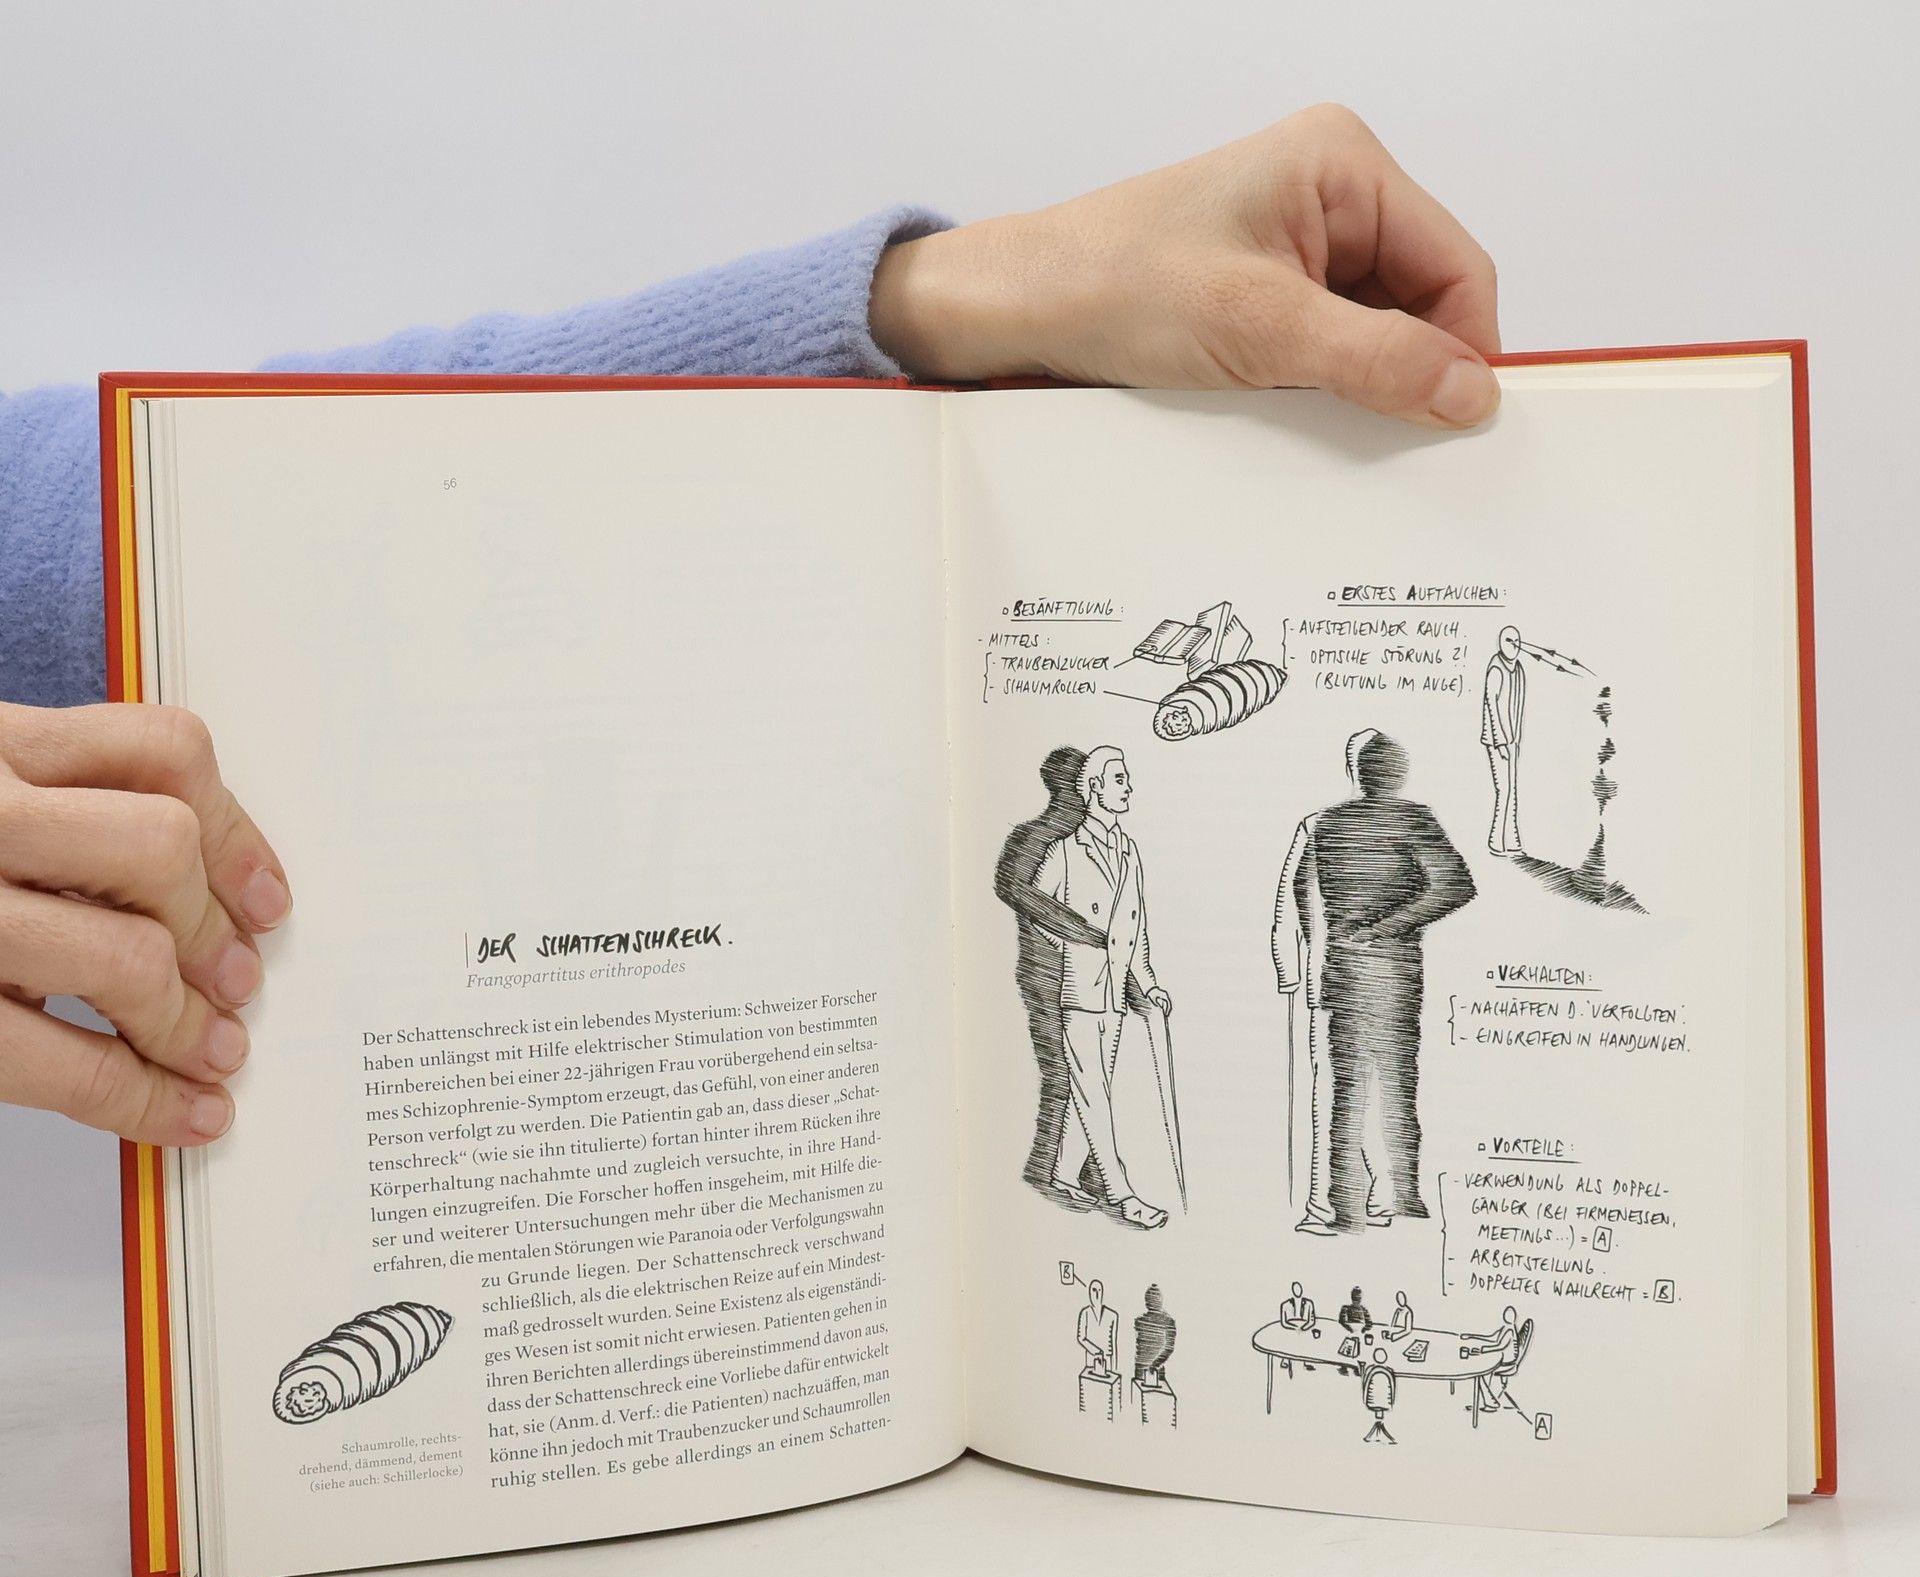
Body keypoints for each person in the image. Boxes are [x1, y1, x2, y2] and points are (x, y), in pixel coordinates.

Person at [1, 107, 1500, 1147]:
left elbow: (117, 508)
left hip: (1263, 980)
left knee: (1360, 1099)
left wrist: (930, 301)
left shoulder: (1294, 830)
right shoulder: (1165, 836)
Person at [1273, 730, 1477, 1235]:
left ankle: (1351, 1203)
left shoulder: (1327, 821)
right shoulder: (1411, 818)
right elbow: (1455, 886)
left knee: (1351, 1086)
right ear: (1399, 774)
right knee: (1392, 1080)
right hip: (1390, 971)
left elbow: (1296, 897)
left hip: (1343, 970)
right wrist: (1388, 927)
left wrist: (1309, 964)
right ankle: (1392, 1196)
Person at [1033, 748, 1171, 1228]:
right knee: (1095, 1092)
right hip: (1081, 991)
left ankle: (1063, 1171)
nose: (1128, 787)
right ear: (1094, 788)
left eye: (1127, 778)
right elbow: (1040, 910)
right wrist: (1078, 949)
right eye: (1119, 779)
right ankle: (1122, 1194)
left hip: (1113, 994)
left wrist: (1147, 983)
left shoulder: (1129, 849)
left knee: (1093, 1087)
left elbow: (1138, 926)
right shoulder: (1065, 850)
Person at [995, 749, 1106, 1203]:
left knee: (1098, 1075)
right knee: (1062, 1071)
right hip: (1048, 972)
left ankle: (1095, 1172)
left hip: (1095, 976)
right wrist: (1084, 932)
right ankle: (1047, 1169)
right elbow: (1012, 887)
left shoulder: (1095, 840)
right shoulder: (1036, 835)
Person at [1482, 625, 1527, 857]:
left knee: (1512, 790)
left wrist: (1515, 740)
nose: (1514, 645)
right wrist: (1499, 742)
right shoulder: (1496, 669)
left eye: (1517, 640)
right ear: (1501, 642)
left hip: (1513, 740)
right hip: (1497, 740)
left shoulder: (1518, 669)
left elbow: (1518, 708)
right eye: (1509, 640)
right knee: (1504, 790)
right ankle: (1496, 841)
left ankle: (1512, 841)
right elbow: (1492, 706)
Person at [1132, 1284, 1177, 1390]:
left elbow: (1169, 1348)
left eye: (1155, 1297)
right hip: (1142, 1368)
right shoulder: (1139, 1321)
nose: (1152, 1300)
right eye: (1150, 1297)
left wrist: (1154, 1365)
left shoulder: (1168, 1322)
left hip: (1156, 1369)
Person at [1076, 1280, 1121, 1378]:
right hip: (1091, 1358)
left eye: (1099, 1290)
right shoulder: (1085, 1313)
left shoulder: (1112, 1315)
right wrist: (1096, 1351)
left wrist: (1114, 1367)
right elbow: (1081, 1337)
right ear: (1089, 1293)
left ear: (1102, 1293)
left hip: (1107, 1359)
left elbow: (1113, 1342)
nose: (1096, 1294)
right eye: (1094, 1290)